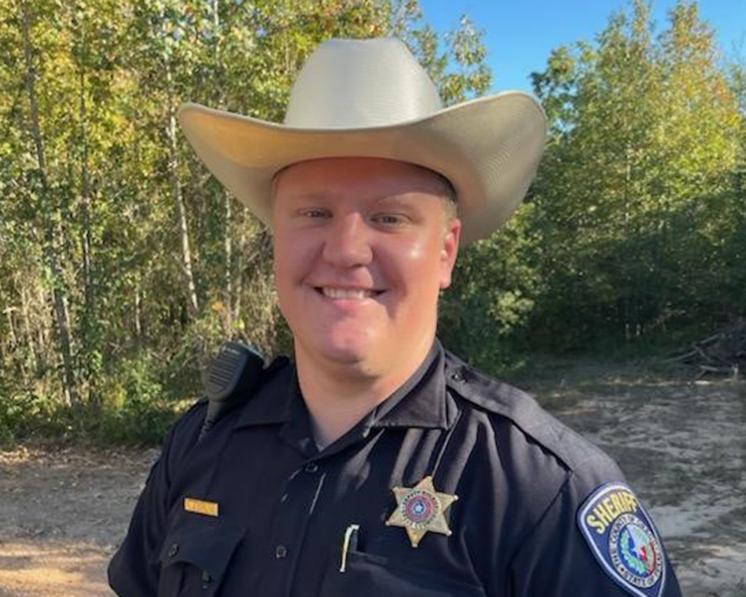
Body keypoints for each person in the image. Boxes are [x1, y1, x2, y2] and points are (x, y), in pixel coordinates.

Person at [108, 38, 682, 597]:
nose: (347, 250)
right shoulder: (203, 443)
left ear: (445, 251)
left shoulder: (539, 490)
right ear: (276, 238)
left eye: (389, 218)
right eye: (314, 212)